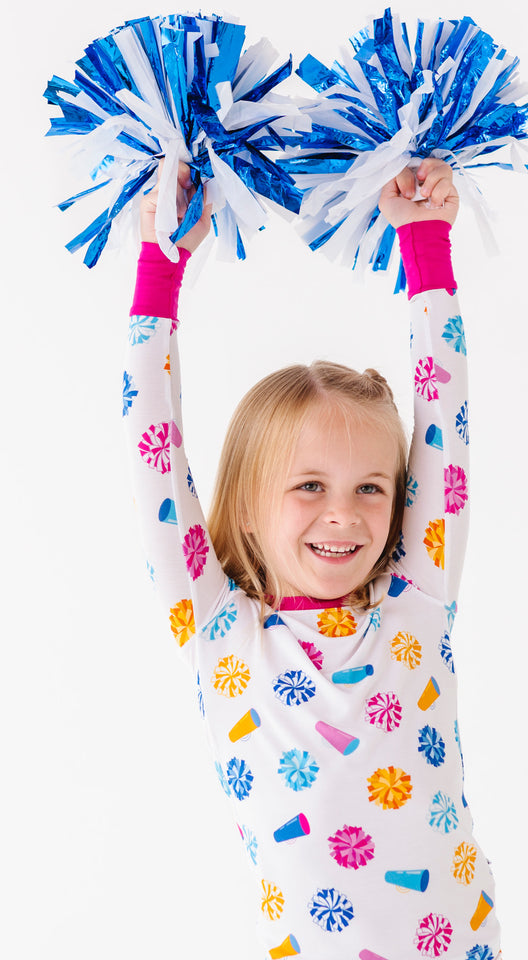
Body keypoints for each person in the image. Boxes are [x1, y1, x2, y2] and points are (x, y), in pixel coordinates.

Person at [122, 158, 500, 958]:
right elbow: (154, 450)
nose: (344, 514)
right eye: (308, 487)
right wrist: (159, 270)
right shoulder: (220, 631)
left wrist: (428, 247)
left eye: (371, 487)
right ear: (248, 506)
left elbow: (446, 418)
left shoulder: (418, 599)